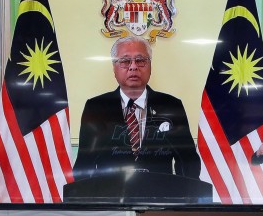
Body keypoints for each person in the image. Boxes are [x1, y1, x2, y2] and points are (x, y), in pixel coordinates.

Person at [73, 37, 200, 180]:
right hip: (110, 198)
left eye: (140, 60)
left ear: (150, 65)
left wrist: (186, 198)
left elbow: (188, 161)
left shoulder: (171, 106)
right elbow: (84, 164)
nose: (133, 67)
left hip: (159, 198)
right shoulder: (96, 108)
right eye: (125, 61)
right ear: (114, 67)